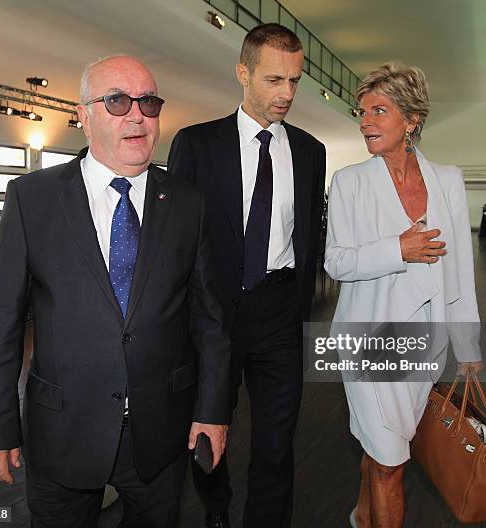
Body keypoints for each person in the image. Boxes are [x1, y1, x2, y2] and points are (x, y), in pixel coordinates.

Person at [0, 55, 231, 528]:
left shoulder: (187, 203)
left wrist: (212, 410)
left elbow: (209, 321)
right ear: (84, 115)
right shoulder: (33, 198)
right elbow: (0, 327)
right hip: (63, 430)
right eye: (117, 101)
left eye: (148, 102)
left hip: (161, 433)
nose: (137, 114)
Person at [168, 23, 326, 528]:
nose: (287, 94)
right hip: (214, 315)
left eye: (295, 81)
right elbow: (176, 242)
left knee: (278, 444)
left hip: (280, 313)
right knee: (207, 434)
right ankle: (215, 508)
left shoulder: (309, 151)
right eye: (274, 80)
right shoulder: (196, 144)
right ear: (243, 73)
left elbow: (308, 236)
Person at [324, 63, 483, 528]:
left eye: (379, 111)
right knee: (393, 462)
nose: (365, 122)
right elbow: (337, 262)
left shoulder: (448, 180)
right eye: (362, 111)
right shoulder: (350, 183)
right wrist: (398, 250)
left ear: (411, 120)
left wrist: (467, 344)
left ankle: (360, 513)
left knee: (385, 448)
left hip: (422, 345)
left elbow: (460, 269)